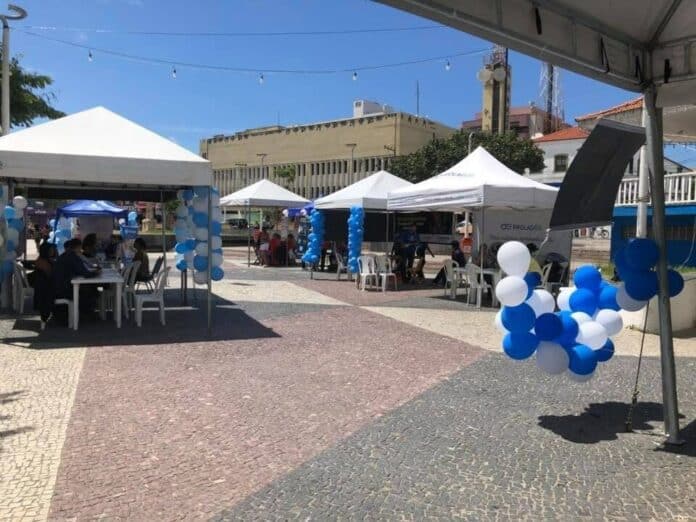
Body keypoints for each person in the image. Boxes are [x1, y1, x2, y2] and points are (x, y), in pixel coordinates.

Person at [52, 238, 101, 321]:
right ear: (78, 247)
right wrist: (97, 272)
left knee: (89, 287)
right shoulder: (73, 256)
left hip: (57, 286)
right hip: (64, 289)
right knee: (90, 289)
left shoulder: (65, 255)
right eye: (80, 247)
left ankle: (86, 312)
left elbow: (79, 270)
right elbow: (85, 273)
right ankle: (86, 313)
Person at [32, 242, 58, 328]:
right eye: (51, 250)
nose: (52, 251)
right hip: (47, 291)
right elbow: (51, 276)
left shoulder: (42, 260)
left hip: (46, 288)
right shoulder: (43, 262)